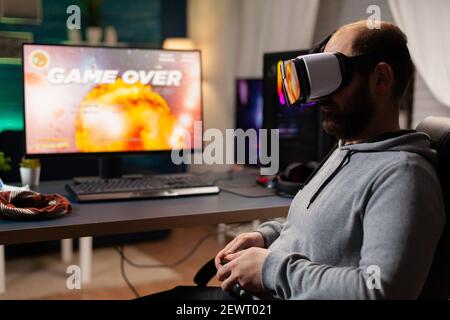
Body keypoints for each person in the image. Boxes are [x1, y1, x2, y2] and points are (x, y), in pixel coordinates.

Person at [142, 20, 446, 300]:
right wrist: (266, 236)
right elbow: (319, 230)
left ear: (380, 79)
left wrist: (269, 269)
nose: (319, 98)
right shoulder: (347, 149)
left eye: (334, 75)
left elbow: (380, 291)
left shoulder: (403, 175)